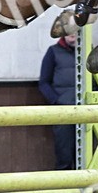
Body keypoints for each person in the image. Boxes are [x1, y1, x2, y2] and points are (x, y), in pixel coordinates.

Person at [39, 32, 77, 170]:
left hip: (85, 110)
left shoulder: (88, 52)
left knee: (85, 154)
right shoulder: (53, 52)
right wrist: (57, 101)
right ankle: (65, 190)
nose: (72, 34)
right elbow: (44, 83)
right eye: (68, 31)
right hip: (63, 111)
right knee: (64, 154)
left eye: (75, 30)